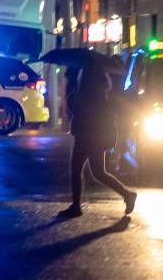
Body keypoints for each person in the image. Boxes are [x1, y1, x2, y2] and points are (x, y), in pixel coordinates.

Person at [59, 66, 138, 218]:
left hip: (87, 136)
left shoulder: (86, 93)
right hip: (94, 136)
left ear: (87, 78)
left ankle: (127, 195)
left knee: (83, 171)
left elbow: (74, 108)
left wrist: (72, 87)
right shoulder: (100, 93)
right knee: (97, 172)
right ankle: (127, 195)